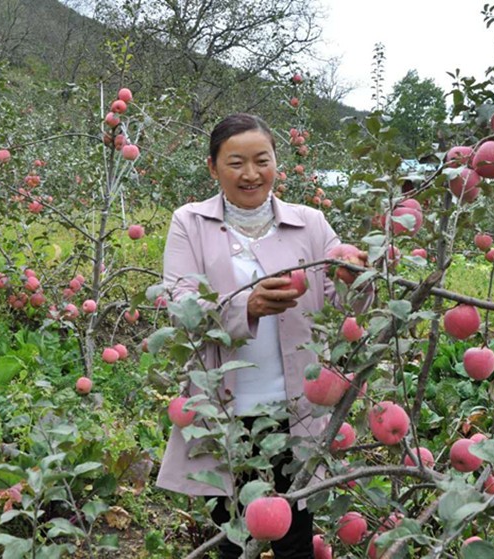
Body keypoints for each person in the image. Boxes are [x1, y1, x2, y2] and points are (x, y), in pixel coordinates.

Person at [156, 113, 371, 558]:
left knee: (296, 542)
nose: (251, 174)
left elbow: (346, 306)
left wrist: (359, 279)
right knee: (236, 542)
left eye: (262, 160)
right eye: (236, 163)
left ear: (277, 163)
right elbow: (181, 308)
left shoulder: (310, 223)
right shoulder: (190, 223)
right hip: (223, 414)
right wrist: (244, 307)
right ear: (213, 167)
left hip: (297, 412)